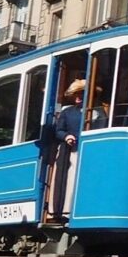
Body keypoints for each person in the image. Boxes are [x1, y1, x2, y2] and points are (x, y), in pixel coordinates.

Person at [47, 78, 86, 222]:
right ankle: (64, 211)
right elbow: (58, 130)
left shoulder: (96, 112)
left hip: (89, 151)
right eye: (76, 94)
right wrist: (67, 136)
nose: (78, 97)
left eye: (81, 93)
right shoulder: (67, 112)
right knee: (70, 178)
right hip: (71, 150)